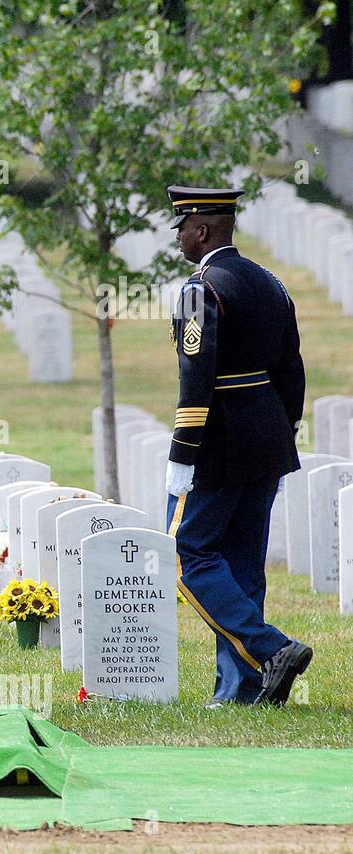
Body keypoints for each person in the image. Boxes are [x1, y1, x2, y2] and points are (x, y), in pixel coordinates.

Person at [163, 185, 310, 707]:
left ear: (201, 231)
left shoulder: (201, 288)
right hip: (267, 435)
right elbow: (292, 369)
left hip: (219, 440)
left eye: (182, 227)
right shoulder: (271, 283)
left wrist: (183, 453)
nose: (179, 237)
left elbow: (195, 377)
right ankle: (243, 686)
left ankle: (272, 649)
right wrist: (282, 429)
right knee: (243, 560)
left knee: (188, 553)